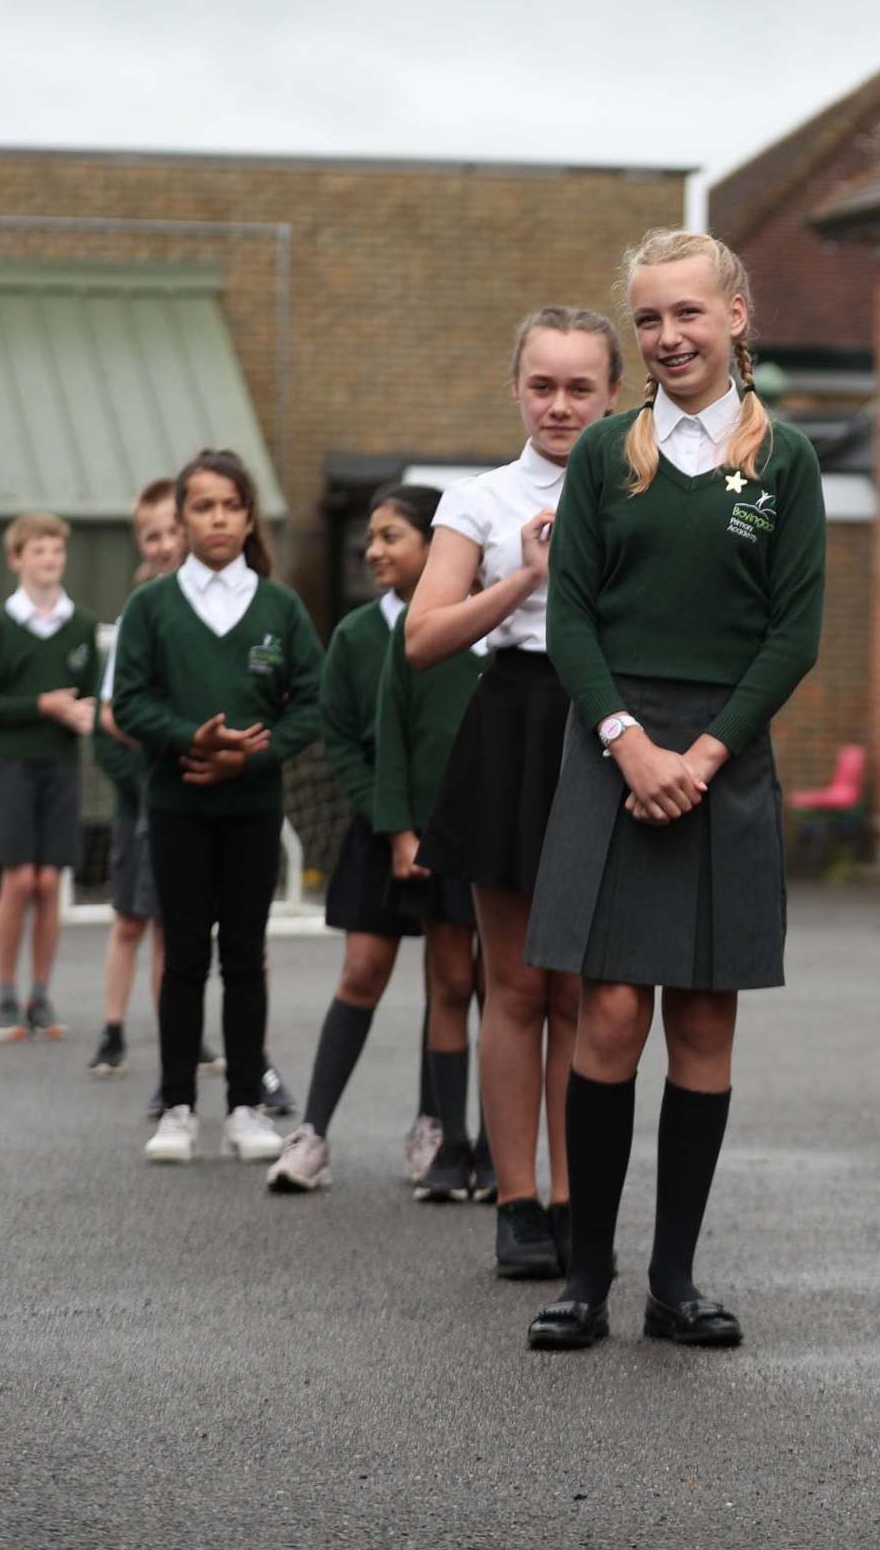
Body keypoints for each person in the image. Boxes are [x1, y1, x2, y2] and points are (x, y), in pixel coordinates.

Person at [521, 229, 824, 1353]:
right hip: (614, 753)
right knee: (605, 1015)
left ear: (736, 316)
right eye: (648, 319)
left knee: (703, 1020)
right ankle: (584, 1279)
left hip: (723, 760)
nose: (667, 337)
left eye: (687, 314)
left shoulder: (782, 461)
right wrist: (629, 744)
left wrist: (702, 755)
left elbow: (793, 634)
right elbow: (571, 618)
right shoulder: (605, 452)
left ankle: (674, 1281)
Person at [405, 306, 621, 1274]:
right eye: (543, 384)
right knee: (515, 983)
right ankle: (518, 1200)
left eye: (581, 386)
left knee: (583, 982)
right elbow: (423, 638)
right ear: (517, 387)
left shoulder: (644, 485)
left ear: (615, 392)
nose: (561, 403)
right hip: (513, 720)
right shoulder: (478, 498)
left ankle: (577, 1199)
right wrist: (522, 580)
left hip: (606, 724)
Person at [111, 450, 323, 1166]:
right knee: (182, 961)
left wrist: (252, 755)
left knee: (243, 955)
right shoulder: (151, 606)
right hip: (176, 805)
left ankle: (242, 1104)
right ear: (182, 518)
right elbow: (129, 702)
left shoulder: (279, 606)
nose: (219, 518)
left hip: (253, 807)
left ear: (248, 514)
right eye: (203, 506)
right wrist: (187, 740)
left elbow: (313, 704)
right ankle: (176, 1106)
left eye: (231, 505)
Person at [267, 484, 478, 1194]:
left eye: (392, 536)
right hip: (382, 833)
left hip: (458, 837)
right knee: (362, 972)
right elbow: (343, 745)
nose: (374, 550)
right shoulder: (357, 635)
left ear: (436, 543)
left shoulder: (473, 625)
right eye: (371, 538)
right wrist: (392, 826)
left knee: (453, 980)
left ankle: (436, 1133)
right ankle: (313, 1133)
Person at [368, 498, 489, 1200]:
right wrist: (401, 830)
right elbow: (391, 735)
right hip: (436, 839)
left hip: (504, 836)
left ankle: (504, 1151)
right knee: (448, 984)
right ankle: (449, 1141)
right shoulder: (417, 633)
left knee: (507, 991)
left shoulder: (518, 632)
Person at [0, 512, 100, 1043]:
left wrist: (85, 715)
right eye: (39, 551)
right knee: (19, 880)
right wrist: (42, 706)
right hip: (12, 765)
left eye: (56, 551)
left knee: (49, 883)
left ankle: (40, 994)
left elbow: (90, 698)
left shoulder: (83, 625)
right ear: (17, 559)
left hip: (61, 766)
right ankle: (4, 995)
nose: (49, 560)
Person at [89, 480, 183, 1079]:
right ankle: (113, 1028)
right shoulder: (136, 619)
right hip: (142, 799)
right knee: (130, 919)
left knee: (176, 927)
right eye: (154, 536)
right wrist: (146, 771)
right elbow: (110, 719)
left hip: (189, 795)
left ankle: (179, 1031)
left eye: (174, 531)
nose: (167, 544)